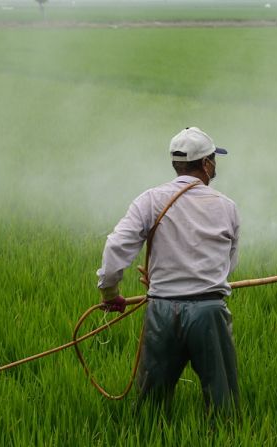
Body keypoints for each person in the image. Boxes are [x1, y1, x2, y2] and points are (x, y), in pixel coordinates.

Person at [96, 126, 240, 414]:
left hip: (162, 310)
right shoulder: (226, 207)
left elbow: (116, 247)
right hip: (209, 311)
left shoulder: (150, 199)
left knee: (152, 406)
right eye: (214, 159)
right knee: (223, 404)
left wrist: (110, 293)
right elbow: (228, 263)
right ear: (206, 164)